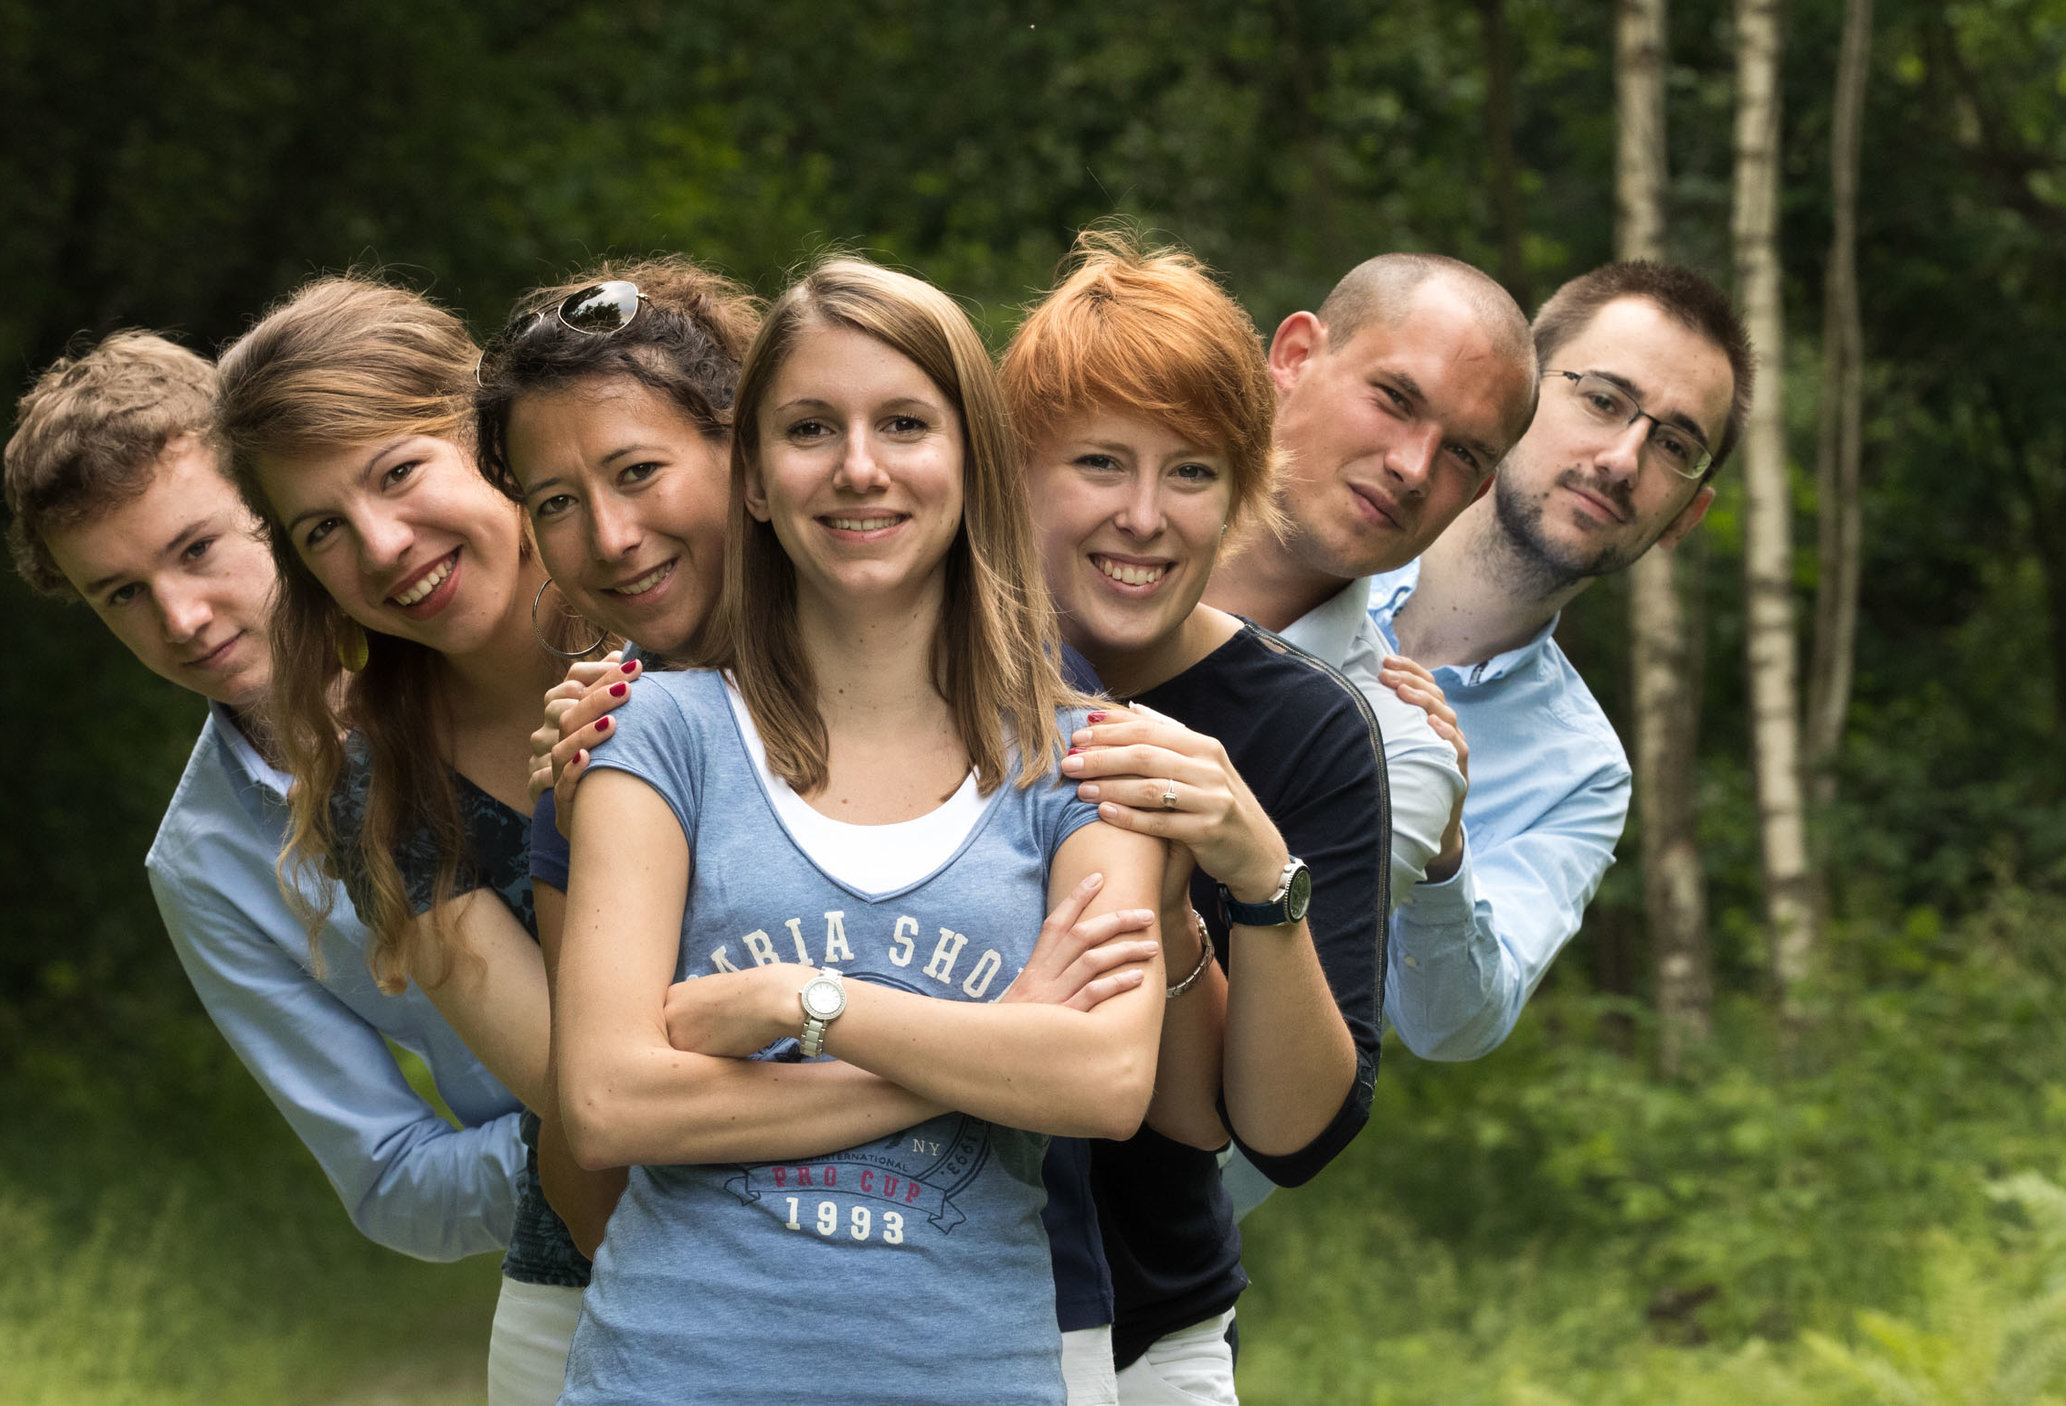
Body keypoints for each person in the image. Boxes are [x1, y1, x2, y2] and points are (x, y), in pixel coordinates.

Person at [472, 254, 1166, 1399]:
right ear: (753, 477)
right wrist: (992, 1047)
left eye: (903, 422)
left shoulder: (1085, 752)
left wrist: (800, 1005)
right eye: (807, 428)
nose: (857, 467)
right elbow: (603, 1105)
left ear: (971, 458)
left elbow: (1102, 1080)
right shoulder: (647, 732)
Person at [0, 333, 529, 1298]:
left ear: (274, 507)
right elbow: (391, 1179)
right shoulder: (205, 864)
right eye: (121, 594)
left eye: (195, 549)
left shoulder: (500, 640)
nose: (182, 618)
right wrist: (610, 1134)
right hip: (594, 1252)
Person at [1008, 231, 1392, 1404]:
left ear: (1241, 493)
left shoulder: (1307, 726)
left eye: (1190, 472)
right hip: (893, 1302)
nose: (1143, 516)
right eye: (1099, 463)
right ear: (1012, 466)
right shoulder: (905, 666)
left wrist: (1256, 872)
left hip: (1151, 1332)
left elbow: (1291, 1135)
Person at [209, 279, 589, 1406]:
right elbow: (589, 1098)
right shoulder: (377, 785)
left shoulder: (696, 623)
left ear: (489, 437)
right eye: (322, 527)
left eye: (398, 471)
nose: (381, 545)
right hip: (592, 1319)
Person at [1371, 261, 1749, 1059]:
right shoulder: (1319, 538)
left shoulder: (1582, 771)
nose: (1621, 459)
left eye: (1674, 444)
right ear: (1518, 392)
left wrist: (1443, 860)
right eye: (1604, 401)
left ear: (1687, 516)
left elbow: (1453, 1028)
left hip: (1187, 1177)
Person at [1202, 253, 1539, 906]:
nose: (1414, 468)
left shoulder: (1391, 760)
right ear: (1296, 357)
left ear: (1480, 492)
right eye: (1395, 399)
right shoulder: (1075, 526)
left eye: (1463, 454)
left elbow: (1273, 1003)